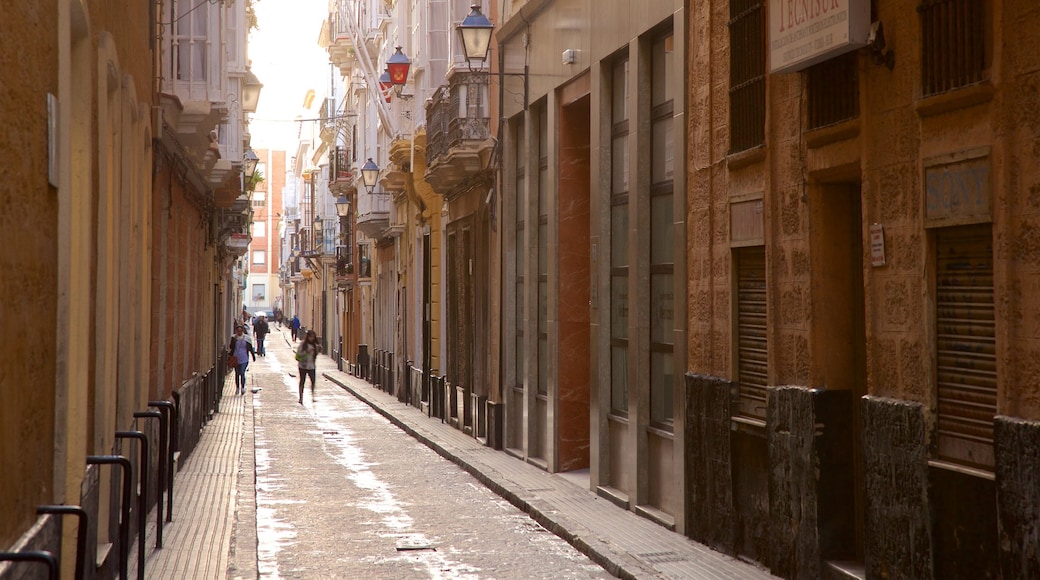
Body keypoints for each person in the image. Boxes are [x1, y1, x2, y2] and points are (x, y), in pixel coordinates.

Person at [227, 325, 257, 395]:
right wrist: (234, 340)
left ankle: (243, 387)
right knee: (237, 373)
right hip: (235, 358)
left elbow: (250, 348)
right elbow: (231, 347)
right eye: (238, 331)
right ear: (236, 331)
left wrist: (253, 356)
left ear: (242, 331)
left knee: (242, 372)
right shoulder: (234, 338)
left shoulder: (247, 338)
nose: (239, 332)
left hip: (244, 358)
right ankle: (237, 388)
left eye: (240, 331)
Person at [295, 329, 321, 404]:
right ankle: (301, 397)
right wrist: (307, 352)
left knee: (313, 381)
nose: (311, 338)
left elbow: (316, 355)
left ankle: (313, 396)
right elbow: (298, 355)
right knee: (302, 381)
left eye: (313, 337)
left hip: (311, 366)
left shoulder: (315, 345)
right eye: (310, 337)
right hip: (303, 366)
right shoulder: (303, 345)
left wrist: (318, 349)